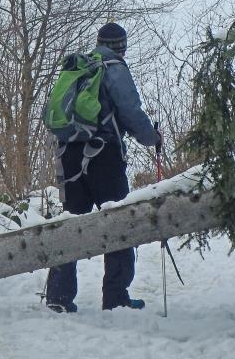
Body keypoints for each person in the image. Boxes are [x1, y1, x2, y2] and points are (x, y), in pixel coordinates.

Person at [44, 22, 162, 313]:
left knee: (72, 222)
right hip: (103, 156)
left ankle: (58, 297)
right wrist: (152, 138)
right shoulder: (114, 68)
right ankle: (116, 296)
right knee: (120, 222)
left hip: (69, 155)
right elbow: (131, 111)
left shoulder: (79, 68)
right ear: (122, 46)